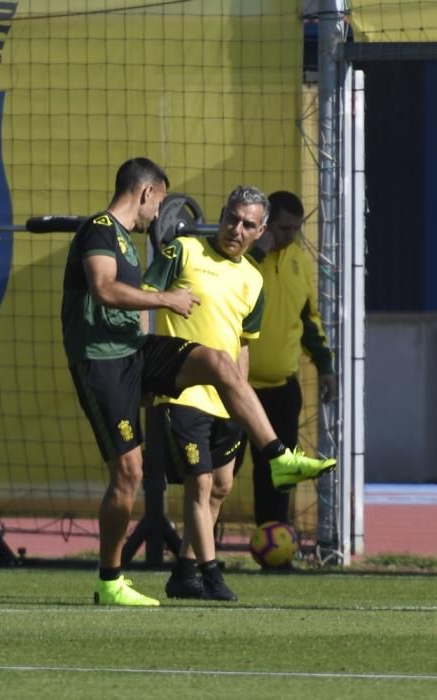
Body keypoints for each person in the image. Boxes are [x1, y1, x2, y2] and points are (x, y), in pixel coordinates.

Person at [61, 159, 336, 607]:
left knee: (217, 362)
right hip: (102, 362)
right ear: (147, 193)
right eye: (163, 200)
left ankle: (277, 455)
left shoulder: (133, 245)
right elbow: (104, 290)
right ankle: (111, 580)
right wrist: (166, 298)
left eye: (249, 224)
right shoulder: (99, 228)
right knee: (130, 474)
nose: (161, 212)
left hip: (134, 352)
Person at [142, 185, 268, 601]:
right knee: (198, 485)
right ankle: (211, 575)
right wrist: (141, 369)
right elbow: (143, 300)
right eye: (232, 217)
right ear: (221, 213)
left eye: (247, 224)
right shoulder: (184, 251)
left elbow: (243, 344)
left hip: (225, 401)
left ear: (260, 230)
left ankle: (183, 571)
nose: (236, 228)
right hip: (184, 393)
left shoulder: (254, 279)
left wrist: (241, 398)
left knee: (220, 488)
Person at [241, 190, 336, 529]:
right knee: (219, 475)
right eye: (283, 228)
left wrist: (325, 365)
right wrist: (258, 251)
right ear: (265, 226)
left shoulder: (298, 260)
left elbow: (308, 320)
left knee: (279, 475)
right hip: (236, 389)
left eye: (296, 229)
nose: (290, 236)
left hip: (281, 389)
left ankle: (274, 547)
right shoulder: (241, 257)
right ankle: (201, 557)